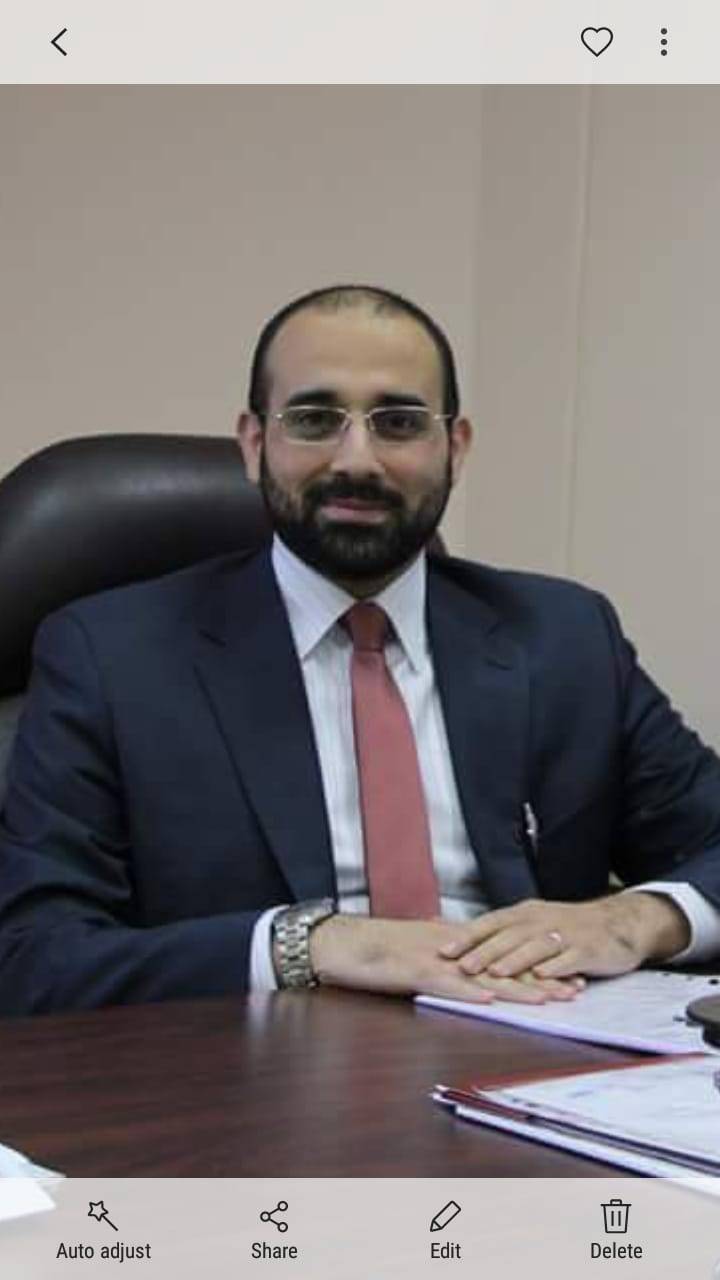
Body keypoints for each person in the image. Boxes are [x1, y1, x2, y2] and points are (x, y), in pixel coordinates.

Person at [0, 284, 719, 1015]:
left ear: (455, 448)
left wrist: (635, 920)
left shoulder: (564, 635)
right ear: (254, 444)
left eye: (399, 423)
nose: (358, 460)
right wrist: (313, 945)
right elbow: (32, 956)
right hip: (254, 1064)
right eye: (314, 420)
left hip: (538, 1047)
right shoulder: (110, 655)